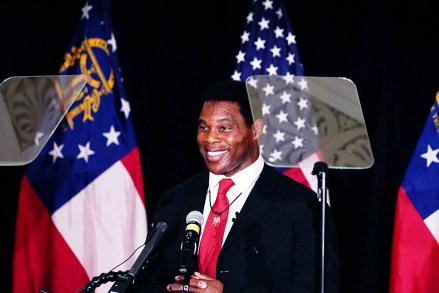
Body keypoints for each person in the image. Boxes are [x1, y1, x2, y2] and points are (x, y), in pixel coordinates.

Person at [132, 79, 340, 292]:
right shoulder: (175, 201)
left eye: (224, 128)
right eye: (204, 127)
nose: (210, 138)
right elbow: (144, 284)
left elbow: (317, 289)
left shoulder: (301, 206)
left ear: (256, 130)